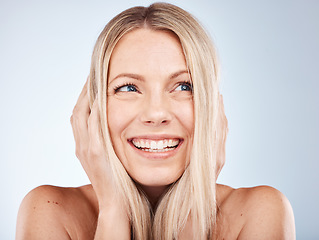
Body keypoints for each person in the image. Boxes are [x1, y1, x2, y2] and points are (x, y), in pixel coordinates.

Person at [16, 2, 295, 239]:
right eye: (128, 88)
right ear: (92, 108)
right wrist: (113, 210)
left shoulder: (261, 211)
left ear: (211, 106)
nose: (156, 113)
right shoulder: (49, 210)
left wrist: (194, 208)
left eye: (184, 86)